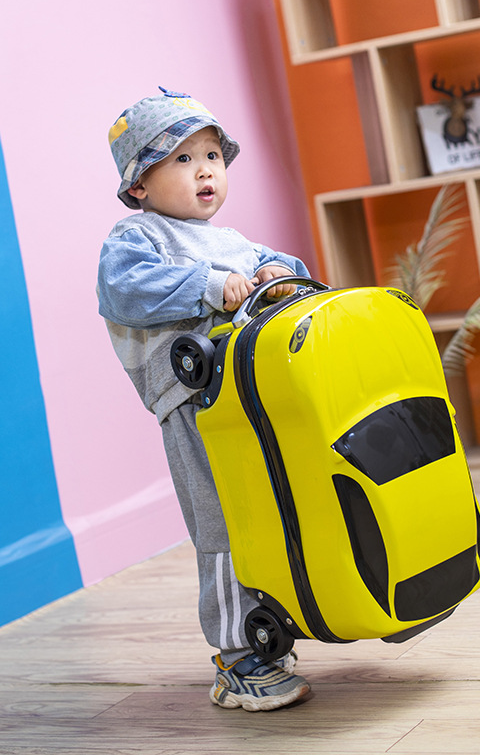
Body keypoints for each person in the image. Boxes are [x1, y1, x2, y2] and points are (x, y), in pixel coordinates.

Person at [97, 87, 311, 711]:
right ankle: (236, 655)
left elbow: (284, 266)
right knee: (220, 522)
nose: (206, 171)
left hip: (251, 400)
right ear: (140, 184)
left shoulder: (231, 239)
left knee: (269, 511)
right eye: (183, 160)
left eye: (213, 155)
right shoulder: (135, 239)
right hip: (193, 402)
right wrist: (213, 286)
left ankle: (273, 622)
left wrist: (275, 274)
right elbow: (127, 292)